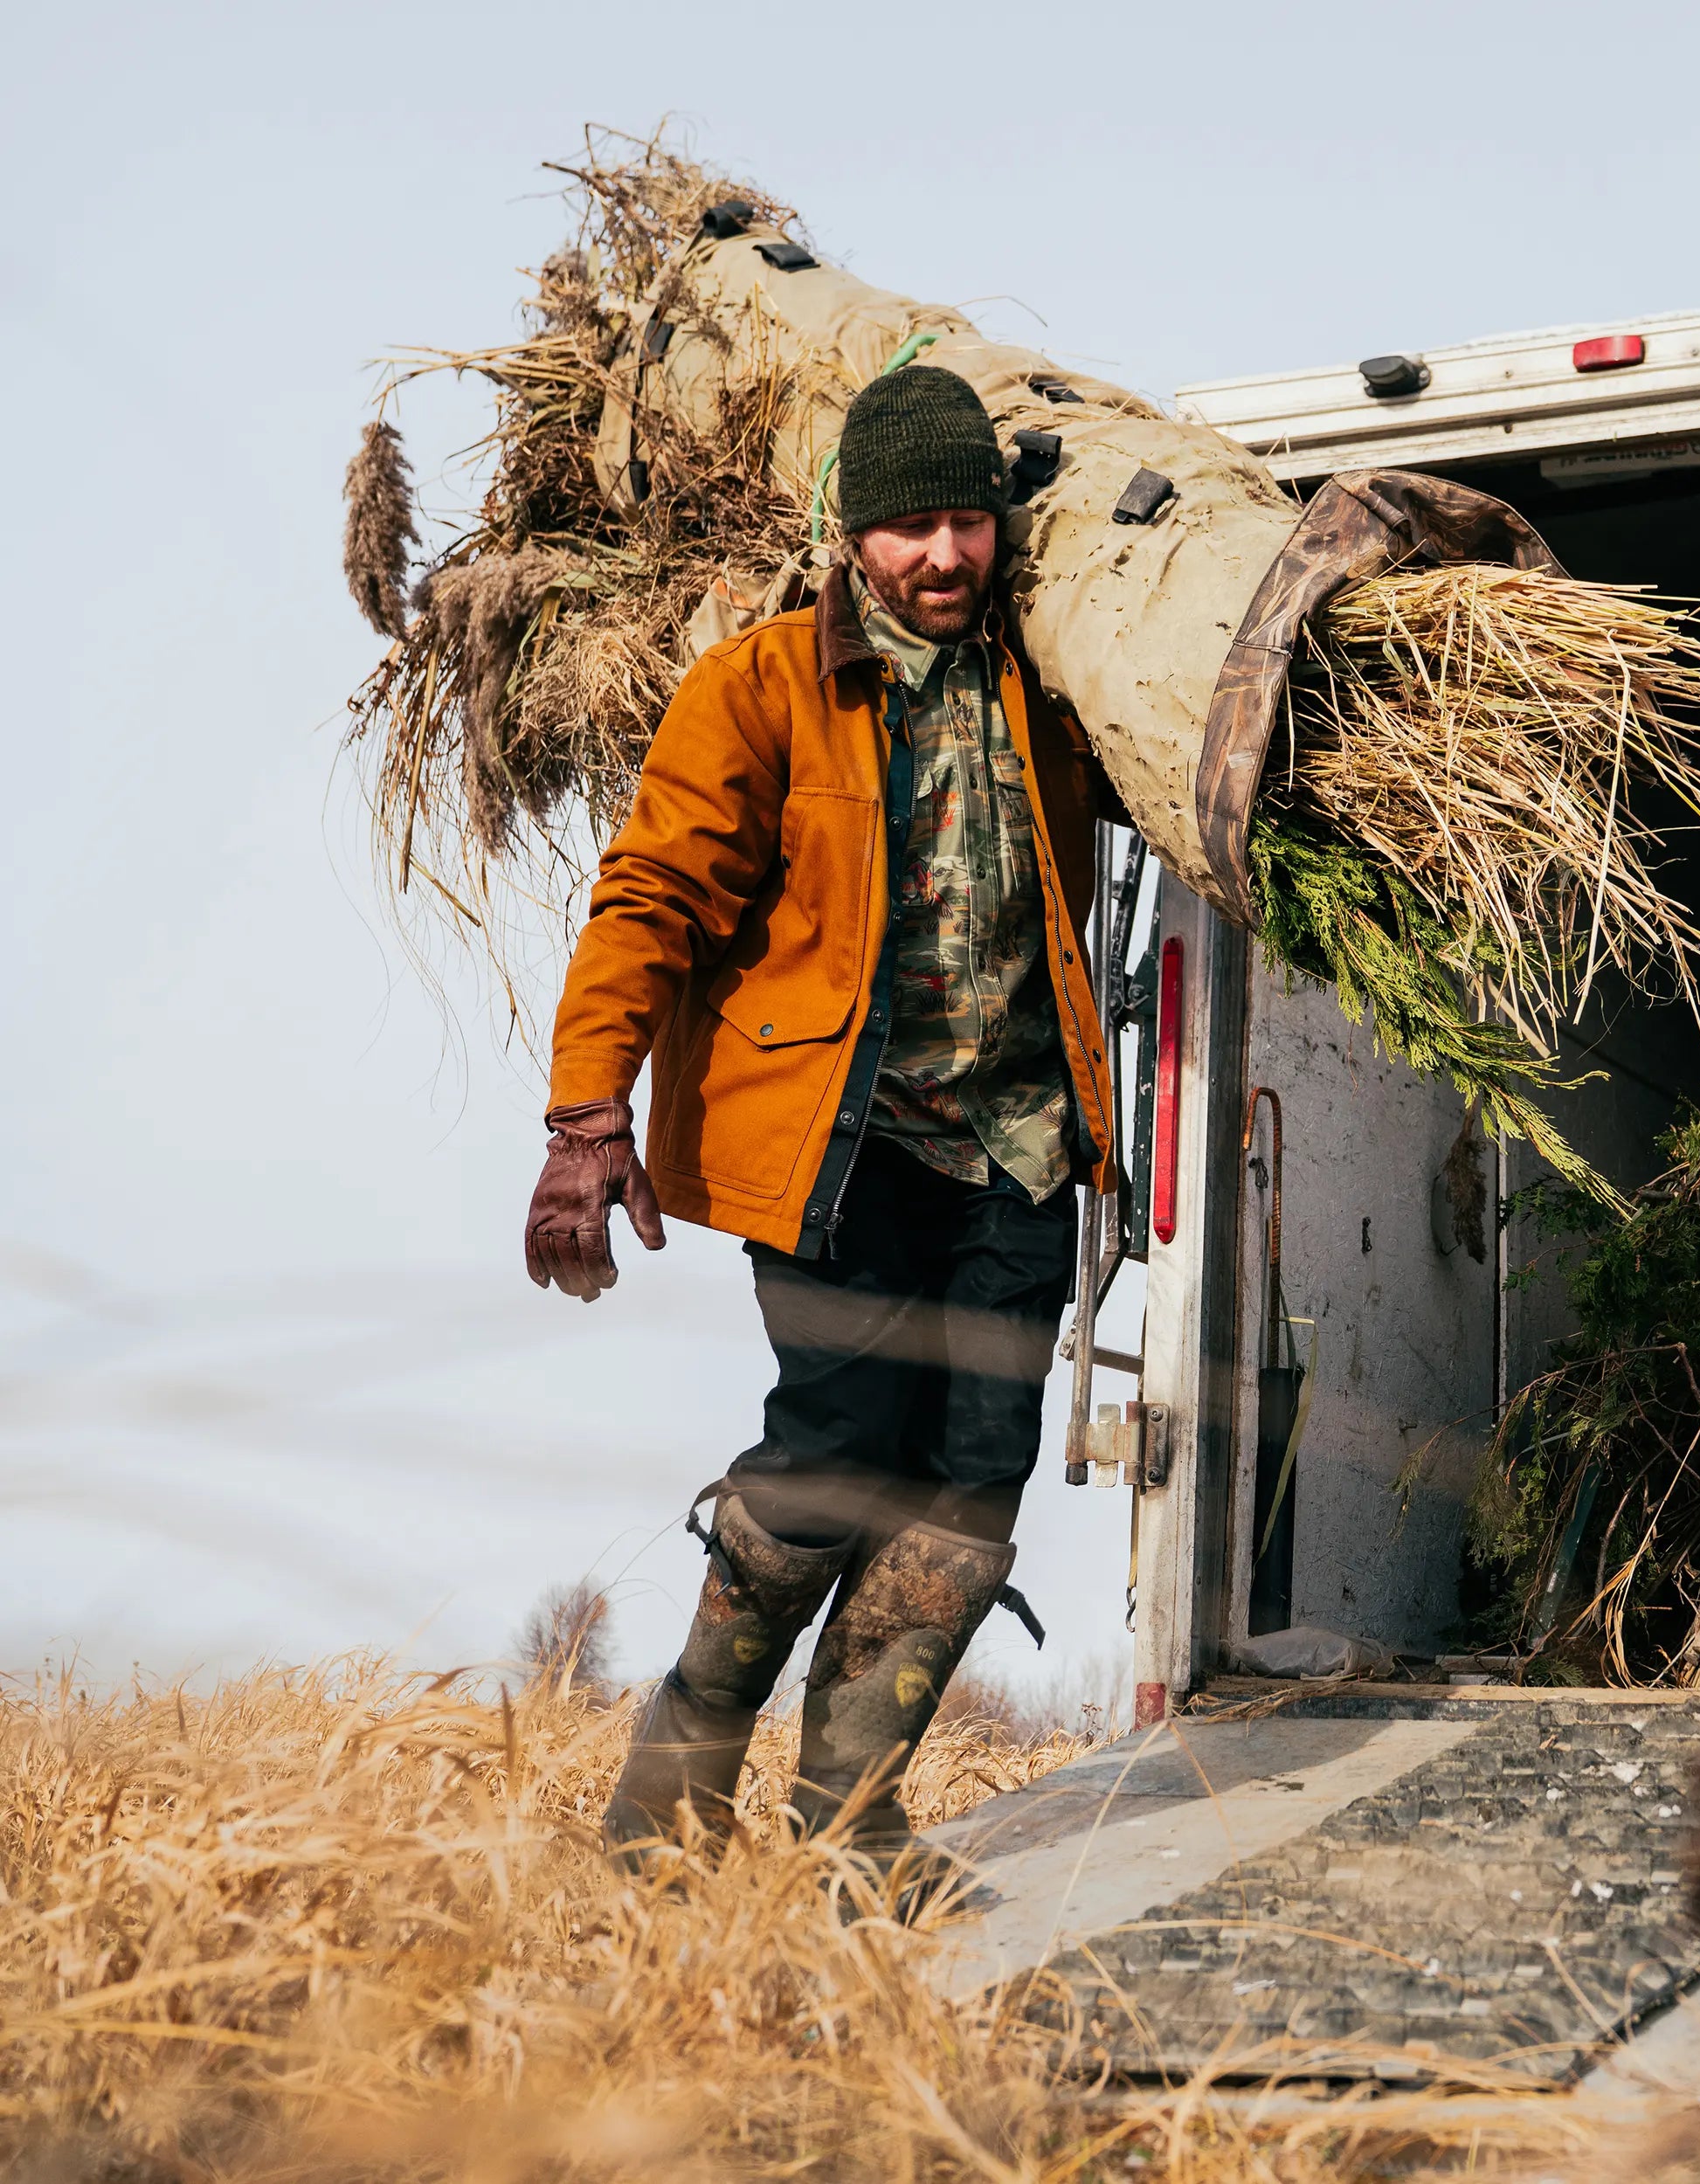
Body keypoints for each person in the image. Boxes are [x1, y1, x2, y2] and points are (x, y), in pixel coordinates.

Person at [523, 363, 1121, 1863]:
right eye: (908, 525)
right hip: (839, 1147)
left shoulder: (1054, 684)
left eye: (966, 522)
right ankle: (664, 1808)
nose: (941, 556)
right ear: (852, 536)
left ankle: (847, 1818)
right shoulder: (765, 684)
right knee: (837, 1454)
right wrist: (586, 1119)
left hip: (1018, 1150)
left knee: (971, 1488)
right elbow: (650, 896)